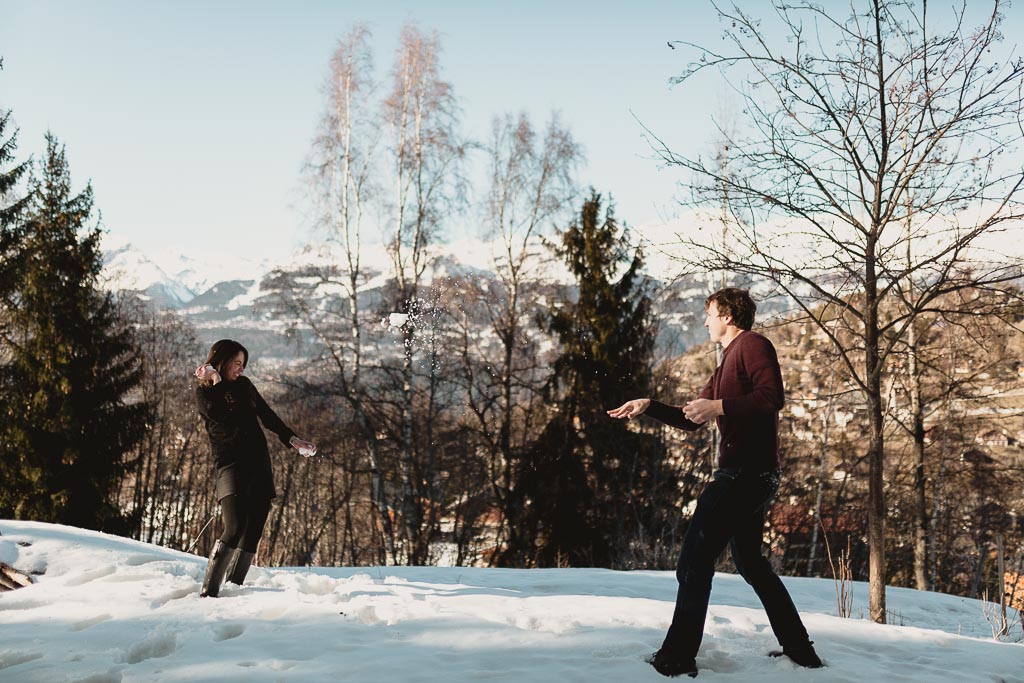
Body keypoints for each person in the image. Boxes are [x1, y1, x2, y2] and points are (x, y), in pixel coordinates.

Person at [608, 288, 822, 678]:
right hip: (751, 474)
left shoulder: (753, 344)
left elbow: (772, 397)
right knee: (752, 564)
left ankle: (675, 658)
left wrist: (719, 406)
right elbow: (693, 418)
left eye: (708, 313)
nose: (704, 320)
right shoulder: (726, 362)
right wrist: (650, 406)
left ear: (726, 315)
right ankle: (800, 651)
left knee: (693, 561)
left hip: (744, 474)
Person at [194, 339, 316, 598]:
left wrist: (293, 440)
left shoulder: (245, 386)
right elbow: (223, 416)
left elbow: (267, 415)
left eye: (243, 364)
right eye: (236, 363)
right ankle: (209, 593)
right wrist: (217, 382)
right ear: (222, 361)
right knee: (235, 526)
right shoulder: (204, 393)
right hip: (231, 465)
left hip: (258, 462)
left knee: (255, 529)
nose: (241, 369)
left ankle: (234, 587)